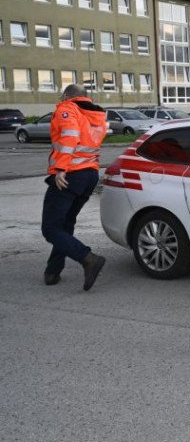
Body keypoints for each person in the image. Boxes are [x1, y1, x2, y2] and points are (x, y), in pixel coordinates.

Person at [41, 84, 109, 290]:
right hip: (89, 175)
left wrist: (61, 168)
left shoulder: (67, 109)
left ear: (67, 96)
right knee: (65, 223)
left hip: (69, 174)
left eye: (62, 96)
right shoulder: (95, 114)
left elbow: (70, 137)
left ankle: (88, 258)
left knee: (50, 228)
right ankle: (53, 271)